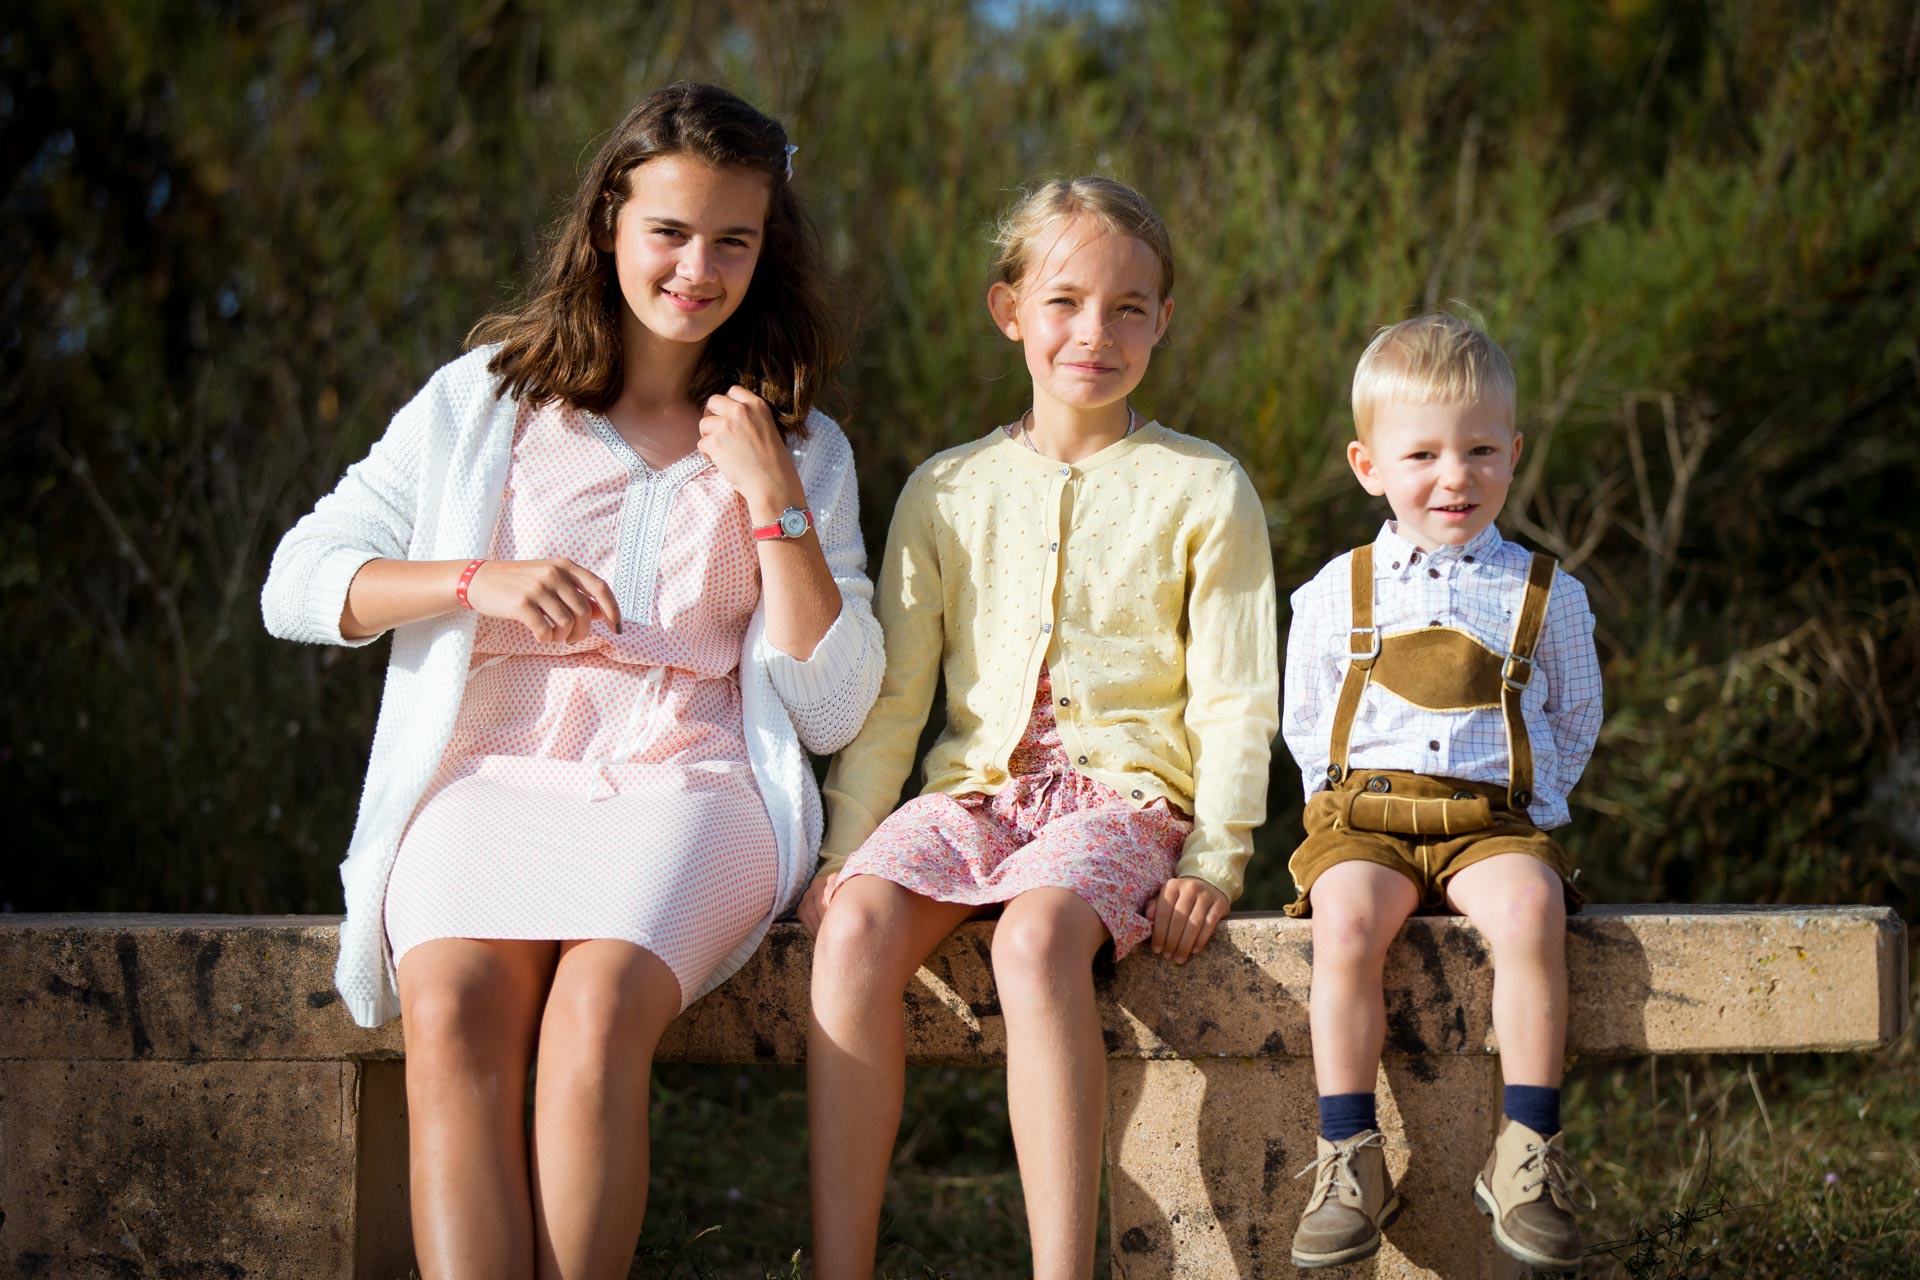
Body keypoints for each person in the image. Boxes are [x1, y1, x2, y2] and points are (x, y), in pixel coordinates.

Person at [260, 81, 883, 1279]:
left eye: (733, 239)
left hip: (687, 784)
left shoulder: (801, 442)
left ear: (768, 245)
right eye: (669, 231)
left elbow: (832, 704)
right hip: (490, 774)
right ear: (609, 222)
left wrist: (775, 503)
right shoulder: (483, 399)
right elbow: (297, 580)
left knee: (594, 1021)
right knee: (450, 1017)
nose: (697, 267)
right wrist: (470, 579)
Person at [800, 176, 1279, 1280]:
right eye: (1063, 302)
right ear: (1008, 309)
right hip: (977, 793)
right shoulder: (948, 487)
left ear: (1163, 319)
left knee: (1032, 935)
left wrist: (1217, 849)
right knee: (857, 927)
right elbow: (896, 698)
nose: (1094, 334)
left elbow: (1236, 693)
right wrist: (844, 846)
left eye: (1128, 307)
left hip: (1125, 806)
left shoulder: (1205, 485)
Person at [1281, 312, 1602, 1271]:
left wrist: (1533, 812)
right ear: (1367, 464)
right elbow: (1305, 719)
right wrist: (1329, 812)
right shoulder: (1336, 590)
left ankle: (1526, 1153)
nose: (1453, 477)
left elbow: (1575, 716)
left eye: (1478, 450)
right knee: (1343, 922)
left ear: (1513, 452)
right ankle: (1349, 1152)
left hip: (1488, 819)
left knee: (1533, 906)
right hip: (1368, 816)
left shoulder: (1544, 592)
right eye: (1420, 453)